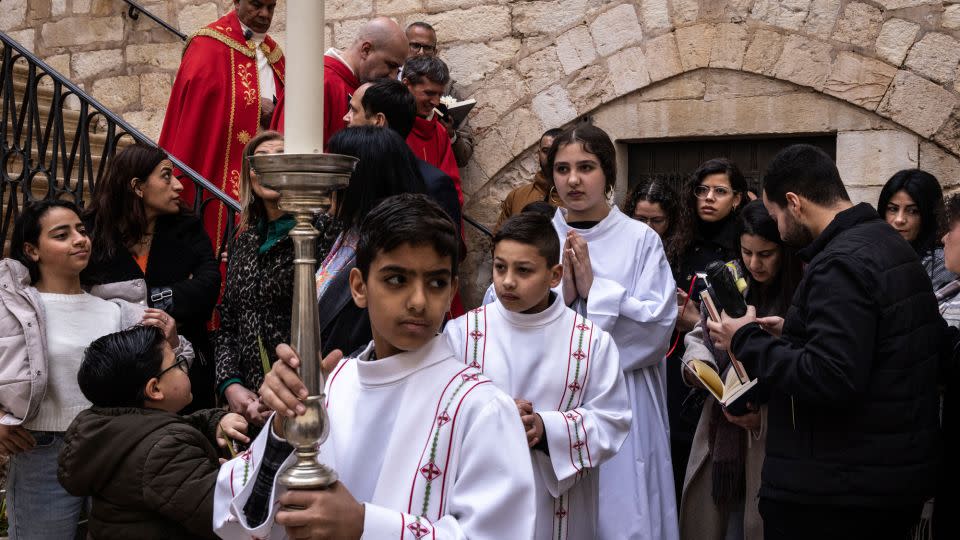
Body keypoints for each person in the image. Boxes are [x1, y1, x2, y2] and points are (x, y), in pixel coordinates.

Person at [214, 193, 536, 539]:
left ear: (452, 290)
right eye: (396, 279)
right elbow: (235, 516)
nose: (418, 301)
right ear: (359, 287)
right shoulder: (331, 385)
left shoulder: (481, 407)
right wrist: (282, 429)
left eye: (436, 282)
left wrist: (365, 525)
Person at [706, 144, 942, 539]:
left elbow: (831, 377)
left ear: (794, 203)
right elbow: (873, 345)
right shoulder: (885, 242)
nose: (777, 228)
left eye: (776, 214)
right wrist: (794, 333)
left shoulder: (840, 264)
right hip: (878, 482)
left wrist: (744, 336)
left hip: (836, 494)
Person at [0, 200, 191, 539]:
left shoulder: (118, 310)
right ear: (31, 249)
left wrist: (172, 338)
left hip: (114, 448)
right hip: (42, 450)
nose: (79, 239)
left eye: (82, 231)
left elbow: (176, 362)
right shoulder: (13, 310)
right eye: (62, 235)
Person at [443, 212, 631, 539]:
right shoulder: (463, 334)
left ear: (555, 274)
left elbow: (612, 420)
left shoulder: (590, 341)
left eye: (523, 270)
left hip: (559, 511)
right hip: (482, 498)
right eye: (500, 267)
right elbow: (439, 413)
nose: (507, 281)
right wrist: (494, 419)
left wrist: (546, 429)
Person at [547, 124, 679, 540]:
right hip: (554, 398)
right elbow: (502, 312)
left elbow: (658, 324)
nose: (573, 179)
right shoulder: (537, 237)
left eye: (586, 167)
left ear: (607, 174)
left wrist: (596, 292)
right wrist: (560, 295)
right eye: (563, 168)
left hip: (625, 397)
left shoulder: (640, 239)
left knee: (623, 513)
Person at [678, 200, 803, 540]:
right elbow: (699, 333)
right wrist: (698, 363)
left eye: (765, 254)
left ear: (784, 250)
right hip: (720, 424)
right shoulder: (727, 277)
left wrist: (763, 415)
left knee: (756, 522)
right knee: (719, 521)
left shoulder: (800, 290)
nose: (754, 263)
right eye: (747, 252)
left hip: (771, 435)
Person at [57, 326, 248, 540]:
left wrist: (215, 421)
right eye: (177, 363)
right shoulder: (165, 452)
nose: (184, 368)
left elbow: (174, 427)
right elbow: (224, 516)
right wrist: (242, 473)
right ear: (155, 389)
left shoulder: (116, 429)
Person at [83, 143, 220, 412]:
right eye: (166, 176)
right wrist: (178, 294)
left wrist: (137, 300)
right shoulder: (91, 233)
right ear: (137, 186)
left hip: (183, 372)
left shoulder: (187, 226)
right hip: (120, 376)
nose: (179, 187)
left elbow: (209, 286)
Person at [158, 0, 284, 256]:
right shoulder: (207, 45)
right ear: (236, 2)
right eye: (257, 5)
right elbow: (198, 112)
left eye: (271, 7)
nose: (264, 14)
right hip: (220, 165)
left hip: (266, 168)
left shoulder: (275, 53)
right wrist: (251, 105)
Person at [215, 130, 309, 428]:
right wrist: (231, 385)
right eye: (260, 162)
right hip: (250, 403)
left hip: (301, 395)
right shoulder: (244, 240)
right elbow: (228, 322)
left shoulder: (320, 233)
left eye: (280, 157)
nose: (269, 166)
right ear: (249, 177)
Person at [668, 158, 748, 504]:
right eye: (701, 190)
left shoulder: (744, 249)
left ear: (738, 199)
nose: (708, 198)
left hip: (723, 372)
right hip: (676, 366)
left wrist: (694, 322)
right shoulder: (680, 244)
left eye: (719, 191)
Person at [317, 126, 430, 357]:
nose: (326, 183)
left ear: (360, 179)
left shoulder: (393, 251)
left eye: (335, 171)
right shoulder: (347, 232)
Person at [343, 78, 461, 231]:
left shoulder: (433, 184)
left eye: (354, 110)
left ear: (378, 120)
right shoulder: (353, 172)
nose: (346, 117)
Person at [270, 16, 408, 146]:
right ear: (366, 50)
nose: (393, 76)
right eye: (391, 65)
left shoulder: (361, 84)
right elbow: (294, 155)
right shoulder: (318, 81)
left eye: (398, 69)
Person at [404, 21, 475, 168]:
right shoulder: (387, 81)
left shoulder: (449, 90)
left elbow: (464, 156)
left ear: (435, 52)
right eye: (415, 46)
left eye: (428, 48)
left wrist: (451, 135)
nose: (421, 52)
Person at [878, 169, 956, 290]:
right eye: (893, 209)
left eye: (912, 211)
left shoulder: (942, 264)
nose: (899, 220)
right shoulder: (873, 254)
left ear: (929, 215)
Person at [402, 56, 463, 206]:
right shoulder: (392, 127)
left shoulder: (440, 132)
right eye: (429, 93)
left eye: (440, 95)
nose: (436, 102)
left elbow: (452, 186)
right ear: (406, 85)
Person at [495, 128, 565, 231]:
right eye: (546, 151)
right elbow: (498, 240)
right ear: (539, 154)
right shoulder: (516, 196)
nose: (551, 157)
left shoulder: (577, 198)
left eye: (557, 151)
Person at [623, 177, 683, 271]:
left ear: (670, 220)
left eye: (657, 220)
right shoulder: (620, 246)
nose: (648, 227)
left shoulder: (682, 255)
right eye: (640, 219)